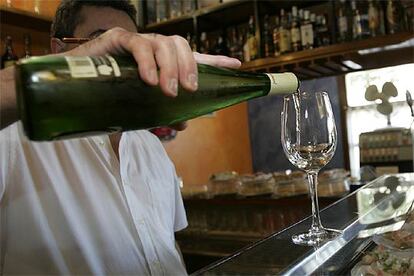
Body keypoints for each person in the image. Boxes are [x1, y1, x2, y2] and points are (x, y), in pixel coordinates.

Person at [0, 0, 241, 274]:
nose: (121, 60)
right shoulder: (13, 137)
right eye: (102, 41)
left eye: (129, 47)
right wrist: (54, 72)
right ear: (59, 50)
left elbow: (167, 250)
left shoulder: (150, 144)